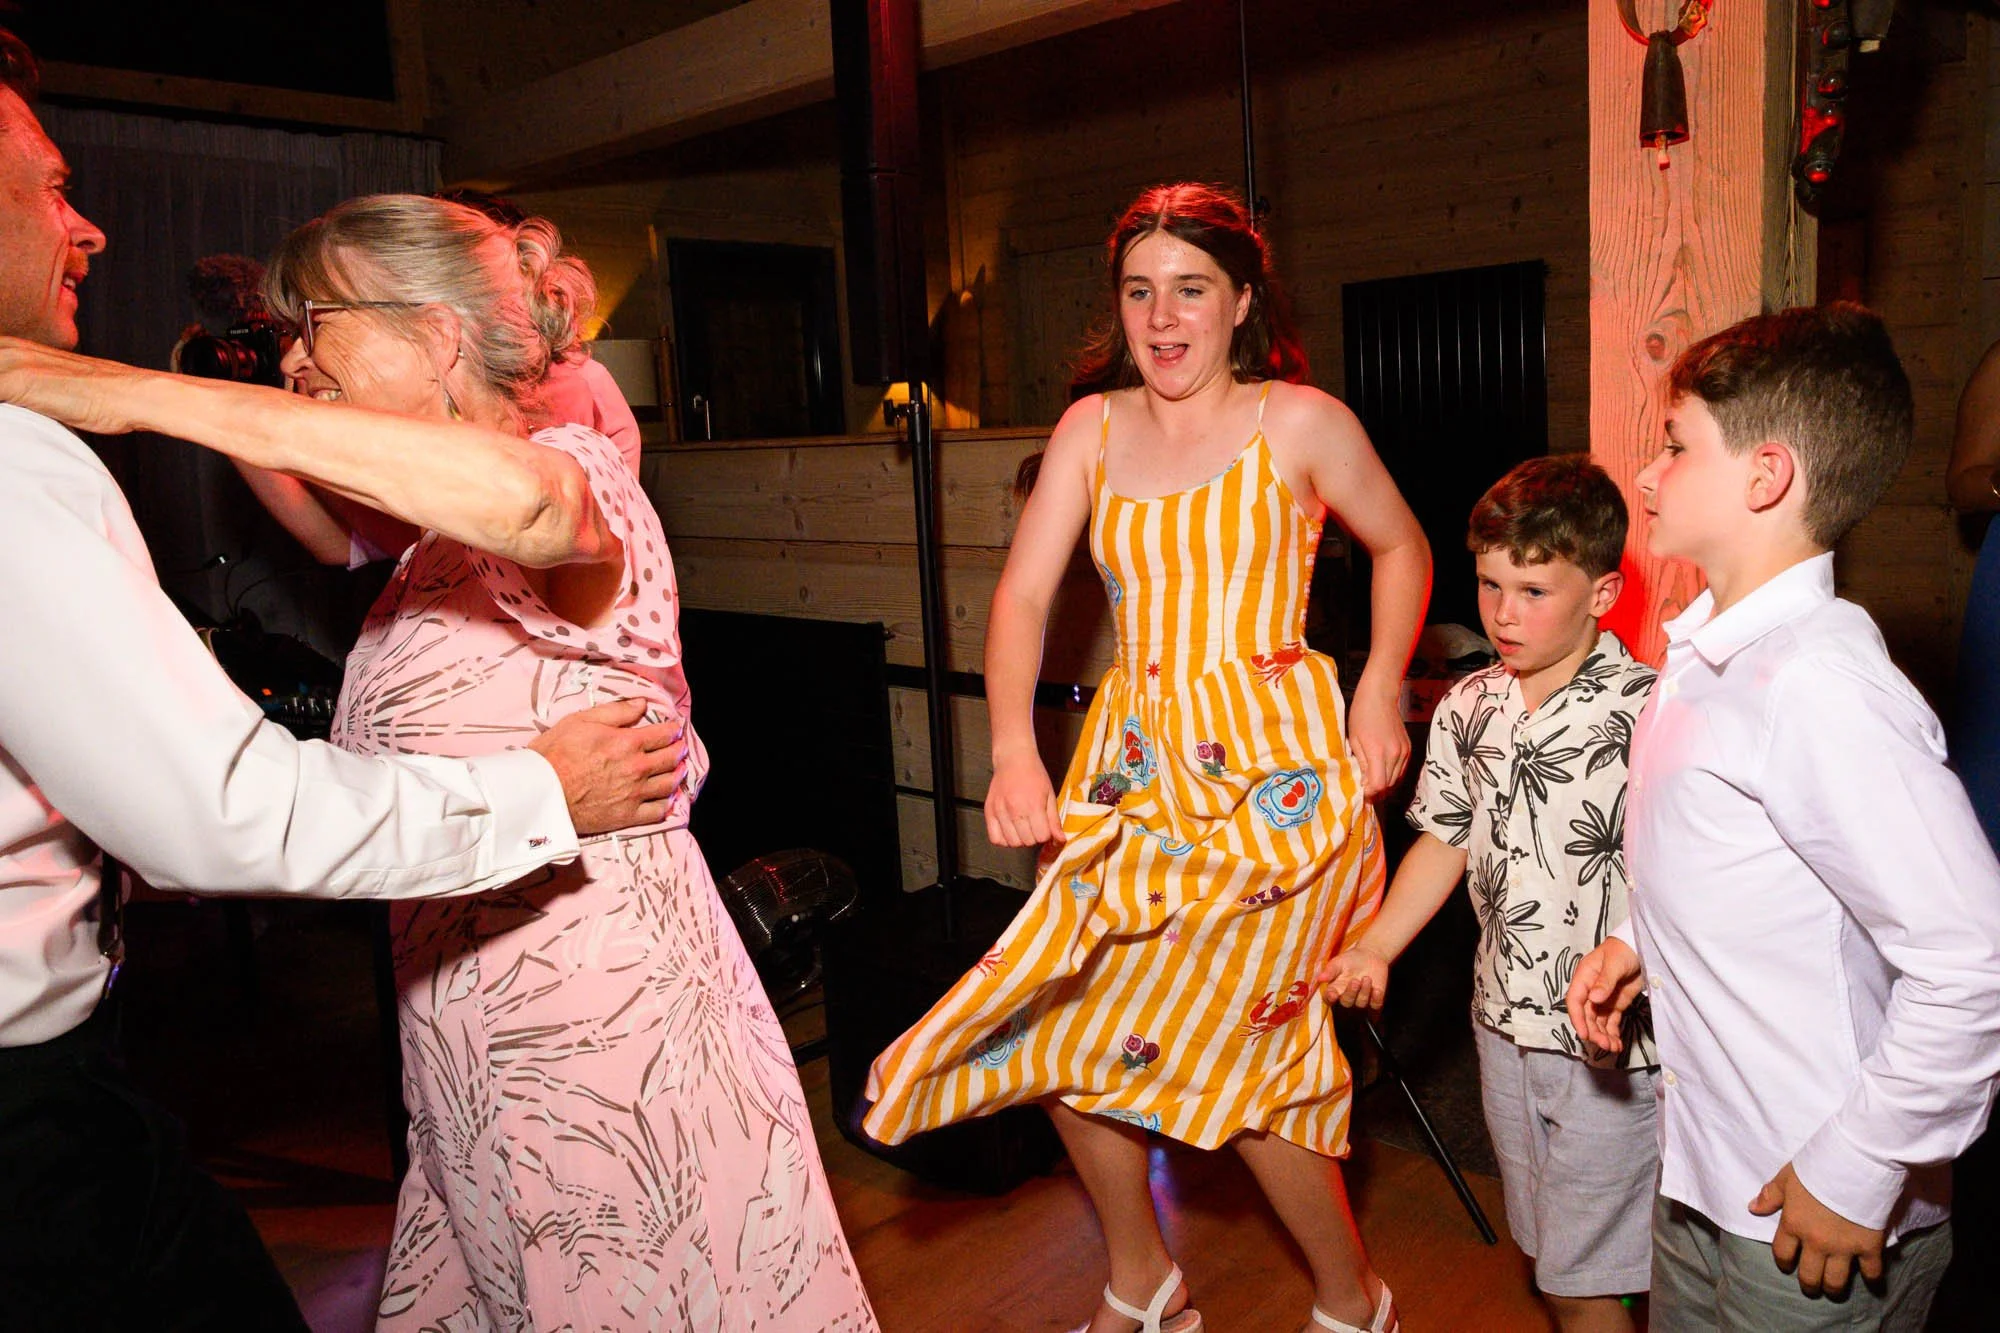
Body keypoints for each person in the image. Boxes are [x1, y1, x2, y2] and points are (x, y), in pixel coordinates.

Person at [0, 191, 879, 1329]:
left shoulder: (572, 466)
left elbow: (529, 501)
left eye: (313, 322)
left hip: (601, 1029)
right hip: (464, 1031)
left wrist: (119, 393)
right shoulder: (420, 554)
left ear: (433, 333)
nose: (294, 358)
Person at [863, 183, 1430, 1333]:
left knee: (1252, 1050)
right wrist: (1014, 752)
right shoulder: (1091, 428)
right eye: (1138, 292)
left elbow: (1402, 545)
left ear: (1239, 304)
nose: (1162, 318)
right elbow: (1023, 599)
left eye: (1189, 290)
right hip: (1130, 776)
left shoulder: (1301, 421)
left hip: (1278, 781)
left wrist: (1377, 686)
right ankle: (1143, 1279)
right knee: (1061, 1026)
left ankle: (1349, 1299)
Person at [1566, 304, 2000, 1331]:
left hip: (1811, 1210)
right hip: (1708, 1172)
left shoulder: (1816, 684)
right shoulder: (1709, 652)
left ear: (1763, 477)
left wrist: (1857, 1164)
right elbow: (1740, 858)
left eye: (1674, 446)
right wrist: (1638, 937)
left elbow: (1970, 958)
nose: (1645, 473)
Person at [1324, 455, 1658, 1333]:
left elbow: (1683, 878)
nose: (1504, 613)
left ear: (1603, 591)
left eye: (1534, 590)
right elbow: (1445, 837)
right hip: (1501, 1023)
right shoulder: (1471, 701)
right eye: (1488, 583)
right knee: (1549, 1251)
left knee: (1588, 1274)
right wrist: (1376, 945)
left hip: (1609, 1051)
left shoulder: (1651, 713)